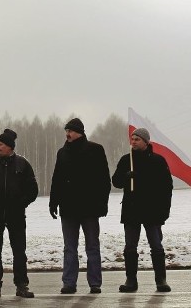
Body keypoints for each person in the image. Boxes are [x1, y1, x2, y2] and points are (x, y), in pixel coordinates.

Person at [49, 118, 111, 294]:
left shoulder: (95, 150)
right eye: (66, 130)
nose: (68, 134)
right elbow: (57, 179)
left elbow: (104, 179)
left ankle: (95, 283)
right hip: (68, 208)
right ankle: (69, 283)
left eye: (71, 131)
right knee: (69, 247)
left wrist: (102, 203)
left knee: (92, 246)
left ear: (80, 132)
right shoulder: (62, 153)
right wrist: (53, 202)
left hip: (90, 207)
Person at [0, 129, 39, 300]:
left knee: (19, 251)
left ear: (10, 147)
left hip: (16, 215)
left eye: (0, 144)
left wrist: (21, 203)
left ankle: (21, 286)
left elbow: (33, 190)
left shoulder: (23, 164)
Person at [112, 127, 173, 293]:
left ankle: (161, 280)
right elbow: (115, 181)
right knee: (130, 247)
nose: (133, 142)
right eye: (132, 139)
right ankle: (131, 280)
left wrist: (164, 212)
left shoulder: (158, 161)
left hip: (152, 211)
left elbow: (167, 188)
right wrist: (126, 177)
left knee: (156, 246)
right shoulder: (126, 160)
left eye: (137, 139)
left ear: (146, 142)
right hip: (131, 210)